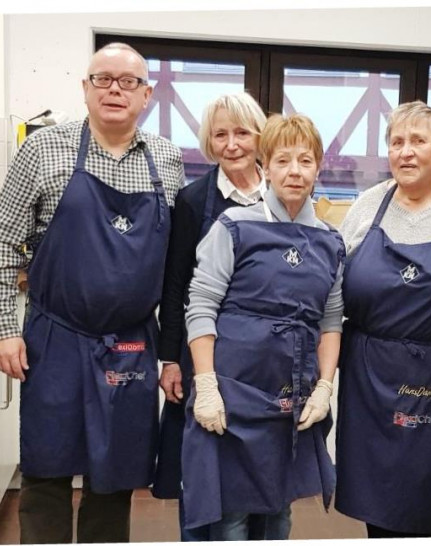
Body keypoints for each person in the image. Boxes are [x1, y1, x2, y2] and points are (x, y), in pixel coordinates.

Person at [0, 42, 184, 543]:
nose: (114, 90)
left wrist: (172, 354)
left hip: (131, 345)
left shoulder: (166, 160)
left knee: (116, 476)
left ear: (146, 95)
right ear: (85, 88)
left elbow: (176, 270)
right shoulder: (42, 150)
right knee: (47, 469)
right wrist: (4, 331)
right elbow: (1, 243)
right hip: (55, 338)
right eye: (103, 79)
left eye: (128, 82)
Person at [181, 113, 344, 540]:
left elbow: (330, 321)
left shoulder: (331, 241)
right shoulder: (233, 227)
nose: (295, 171)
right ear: (265, 166)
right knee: (230, 516)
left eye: (305, 161)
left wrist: (325, 388)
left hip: (291, 396)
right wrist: (207, 385)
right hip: (233, 393)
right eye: (283, 160)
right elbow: (200, 305)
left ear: (318, 167)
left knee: (278, 513)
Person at [335, 101, 431, 537]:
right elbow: (330, 289)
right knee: (380, 507)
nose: (406, 152)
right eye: (397, 142)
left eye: (419, 141)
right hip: (371, 383)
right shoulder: (367, 206)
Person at [151, 92, 268, 541]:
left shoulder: (282, 192)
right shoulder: (192, 200)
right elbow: (175, 285)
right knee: (200, 478)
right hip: (202, 355)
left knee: (261, 479)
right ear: (208, 141)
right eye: (221, 134)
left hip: (262, 362)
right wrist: (171, 360)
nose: (232, 143)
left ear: (260, 137)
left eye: (242, 132)